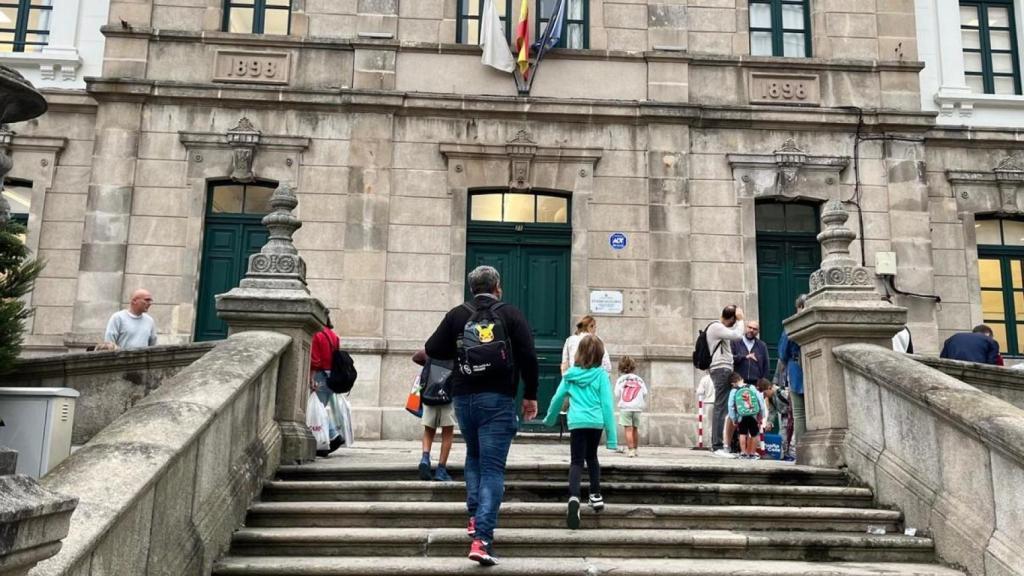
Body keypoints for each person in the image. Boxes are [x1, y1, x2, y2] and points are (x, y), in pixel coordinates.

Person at [425, 265, 539, 566]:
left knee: (474, 457)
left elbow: (432, 348)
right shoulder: (511, 314)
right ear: (497, 287)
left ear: (472, 288)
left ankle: (475, 518)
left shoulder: (457, 314)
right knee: (492, 468)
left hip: (463, 398)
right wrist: (530, 395)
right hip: (498, 399)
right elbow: (529, 355)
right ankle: (483, 538)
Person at [543, 335, 617, 530]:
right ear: (601, 355)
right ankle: (595, 494)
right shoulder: (601, 376)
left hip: (576, 422)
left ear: (578, 353)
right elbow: (607, 405)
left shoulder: (570, 375)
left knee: (576, 461)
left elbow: (557, 398)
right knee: (592, 457)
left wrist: (549, 419)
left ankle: (574, 496)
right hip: (595, 422)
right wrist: (612, 438)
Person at [707, 305, 745, 458]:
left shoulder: (720, 328)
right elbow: (738, 335)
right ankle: (717, 446)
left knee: (723, 407)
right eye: (733, 320)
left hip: (723, 369)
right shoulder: (716, 327)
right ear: (730, 319)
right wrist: (741, 320)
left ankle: (722, 444)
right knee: (721, 407)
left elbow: (734, 331)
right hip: (721, 369)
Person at [412, 349, 454, 482]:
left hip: (430, 392)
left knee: (429, 430)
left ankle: (425, 458)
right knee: (447, 432)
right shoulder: (456, 349)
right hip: (448, 395)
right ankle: (441, 470)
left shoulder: (433, 347)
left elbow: (416, 357)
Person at [310, 312, 343, 457]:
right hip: (331, 376)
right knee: (320, 409)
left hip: (320, 374)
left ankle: (332, 436)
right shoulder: (333, 335)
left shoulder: (316, 334)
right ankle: (324, 441)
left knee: (317, 410)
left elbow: (315, 360)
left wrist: (311, 378)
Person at [776, 294, 807, 447]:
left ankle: (801, 449)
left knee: (799, 413)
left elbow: (782, 352)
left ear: (799, 307)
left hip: (797, 370)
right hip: (816, 368)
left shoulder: (792, 325)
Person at [613, 355, 647, 458]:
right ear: (634, 367)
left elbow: (617, 394)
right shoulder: (639, 379)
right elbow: (645, 392)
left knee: (628, 429)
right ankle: (636, 449)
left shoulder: (620, 380)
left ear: (620, 368)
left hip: (625, 408)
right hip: (637, 408)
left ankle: (631, 450)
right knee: (635, 428)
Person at [727, 372, 764, 460]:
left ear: (733, 383)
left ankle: (743, 453)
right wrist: (761, 414)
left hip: (741, 415)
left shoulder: (734, 390)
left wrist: (734, 418)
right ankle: (752, 453)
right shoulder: (751, 387)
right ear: (741, 378)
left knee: (742, 433)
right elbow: (760, 401)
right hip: (753, 415)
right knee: (754, 434)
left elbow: (730, 405)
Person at [757, 377, 794, 462]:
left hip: (792, 416)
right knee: (782, 436)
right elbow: (772, 411)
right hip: (784, 416)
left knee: (792, 437)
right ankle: (784, 455)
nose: (765, 396)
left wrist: (791, 417)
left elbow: (792, 403)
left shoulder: (781, 392)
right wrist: (769, 422)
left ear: (769, 388)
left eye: (765, 393)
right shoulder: (770, 398)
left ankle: (793, 455)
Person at [731, 320, 769, 385]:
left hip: (755, 383)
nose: (751, 330)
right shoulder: (735, 342)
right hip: (738, 381)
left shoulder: (762, 345)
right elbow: (730, 359)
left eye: (754, 329)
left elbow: (766, 365)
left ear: (758, 332)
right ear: (746, 328)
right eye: (750, 327)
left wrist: (763, 382)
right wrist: (744, 356)